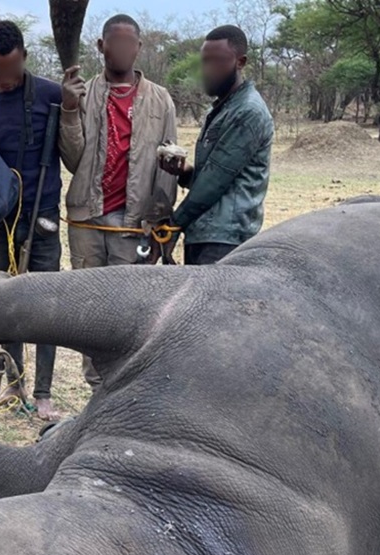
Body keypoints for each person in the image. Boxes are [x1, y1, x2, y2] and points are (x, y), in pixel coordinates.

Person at [58, 13, 177, 389]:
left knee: (130, 311)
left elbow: (168, 165)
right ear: (101, 46)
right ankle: (96, 389)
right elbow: (72, 158)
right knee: (89, 309)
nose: (124, 50)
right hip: (87, 219)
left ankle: (125, 389)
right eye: (116, 42)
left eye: (131, 44)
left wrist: (163, 223)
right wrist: (69, 109)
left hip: (134, 224)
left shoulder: (160, 100)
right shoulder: (84, 92)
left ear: (139, 49)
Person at [0, 20, 63, 420]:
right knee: (7, 304)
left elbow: (73, 147)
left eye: (11, 69)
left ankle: (44, 394)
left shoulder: (53, 95)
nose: (4, 78)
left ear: (24, 57)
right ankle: (15, 386)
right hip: (2, 221)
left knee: (48, 306)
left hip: (44, 215)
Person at [160, 25, 274, 265]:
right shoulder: (224, 108)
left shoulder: (247, 111)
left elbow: (213, 184)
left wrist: (172, 226)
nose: (207, 70)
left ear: (240, 62)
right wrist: (184, 172)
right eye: (204, 61)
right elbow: (213, 176)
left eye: (216, 61)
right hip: (206, 234)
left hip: (225, 240)